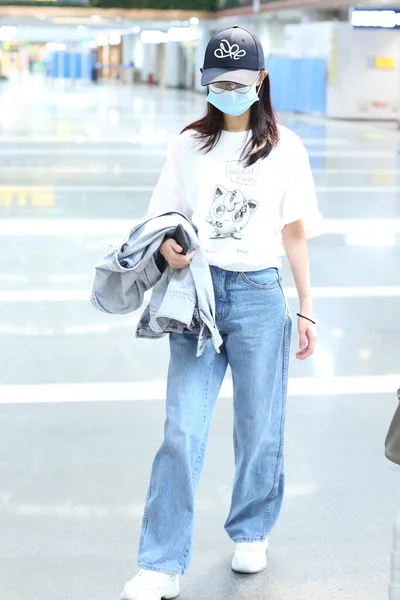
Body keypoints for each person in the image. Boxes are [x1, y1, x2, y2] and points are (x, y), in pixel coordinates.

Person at [121, 25, 323, 600]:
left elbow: (294, 232)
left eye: (238, 82)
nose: (227, 91)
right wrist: (167, 247)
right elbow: (162, 217)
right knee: (182, 430)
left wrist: (306, 309)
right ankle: (160, 562)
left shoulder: (287, 148)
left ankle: (251, 529)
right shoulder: (187, 145)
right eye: (217, 82)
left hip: (261, 296)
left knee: (261, 428)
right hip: (199, 297)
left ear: (260, 80)